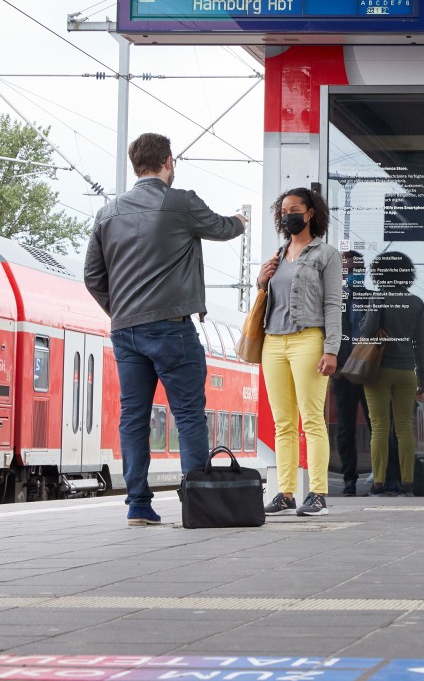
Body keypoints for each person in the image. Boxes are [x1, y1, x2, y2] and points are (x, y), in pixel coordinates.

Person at [83, 133, 246, 527]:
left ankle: (138, 505)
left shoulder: (107, 213)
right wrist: (241, 221)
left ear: (135, 164)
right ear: (168, 162)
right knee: (188, 414)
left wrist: (120, 310)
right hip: (172, 329)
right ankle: (197, 504)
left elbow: (92, 276)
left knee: (134, 417)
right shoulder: (180, 201)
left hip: (125, 331)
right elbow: (223, 229)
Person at [256, 187, 342, 517]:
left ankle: (318, 493)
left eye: (293, 209)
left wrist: (331, 349)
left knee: (312, 420)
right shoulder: (277, 256)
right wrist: (262, 281)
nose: (287, 215)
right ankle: (286, 492)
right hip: (273, 342)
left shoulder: (326, 254)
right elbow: (269, 300)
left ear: (310, 213)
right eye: (282, 211)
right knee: (283, 423)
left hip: (309, 340)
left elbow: (333, 304)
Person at [359, 251, 424, 496]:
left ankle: (379, 483)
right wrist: (422, 373)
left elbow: (368, 332)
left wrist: (366, 320)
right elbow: (420, 342)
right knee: (404, 428)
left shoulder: (378, 298)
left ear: (380, 273)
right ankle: (407, 483)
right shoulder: (417, 303)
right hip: (406, 371)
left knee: (379, 427)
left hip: (378, 371)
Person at [333, 250, 373, 496]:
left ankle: (381, 477)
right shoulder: (333, 299)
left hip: (368, 371)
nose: (351, 274)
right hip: (342, 372)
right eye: (346, 270)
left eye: (355, 270)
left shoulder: (371, 298)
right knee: (346, 427)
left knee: (375, 425)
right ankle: (349, 480)